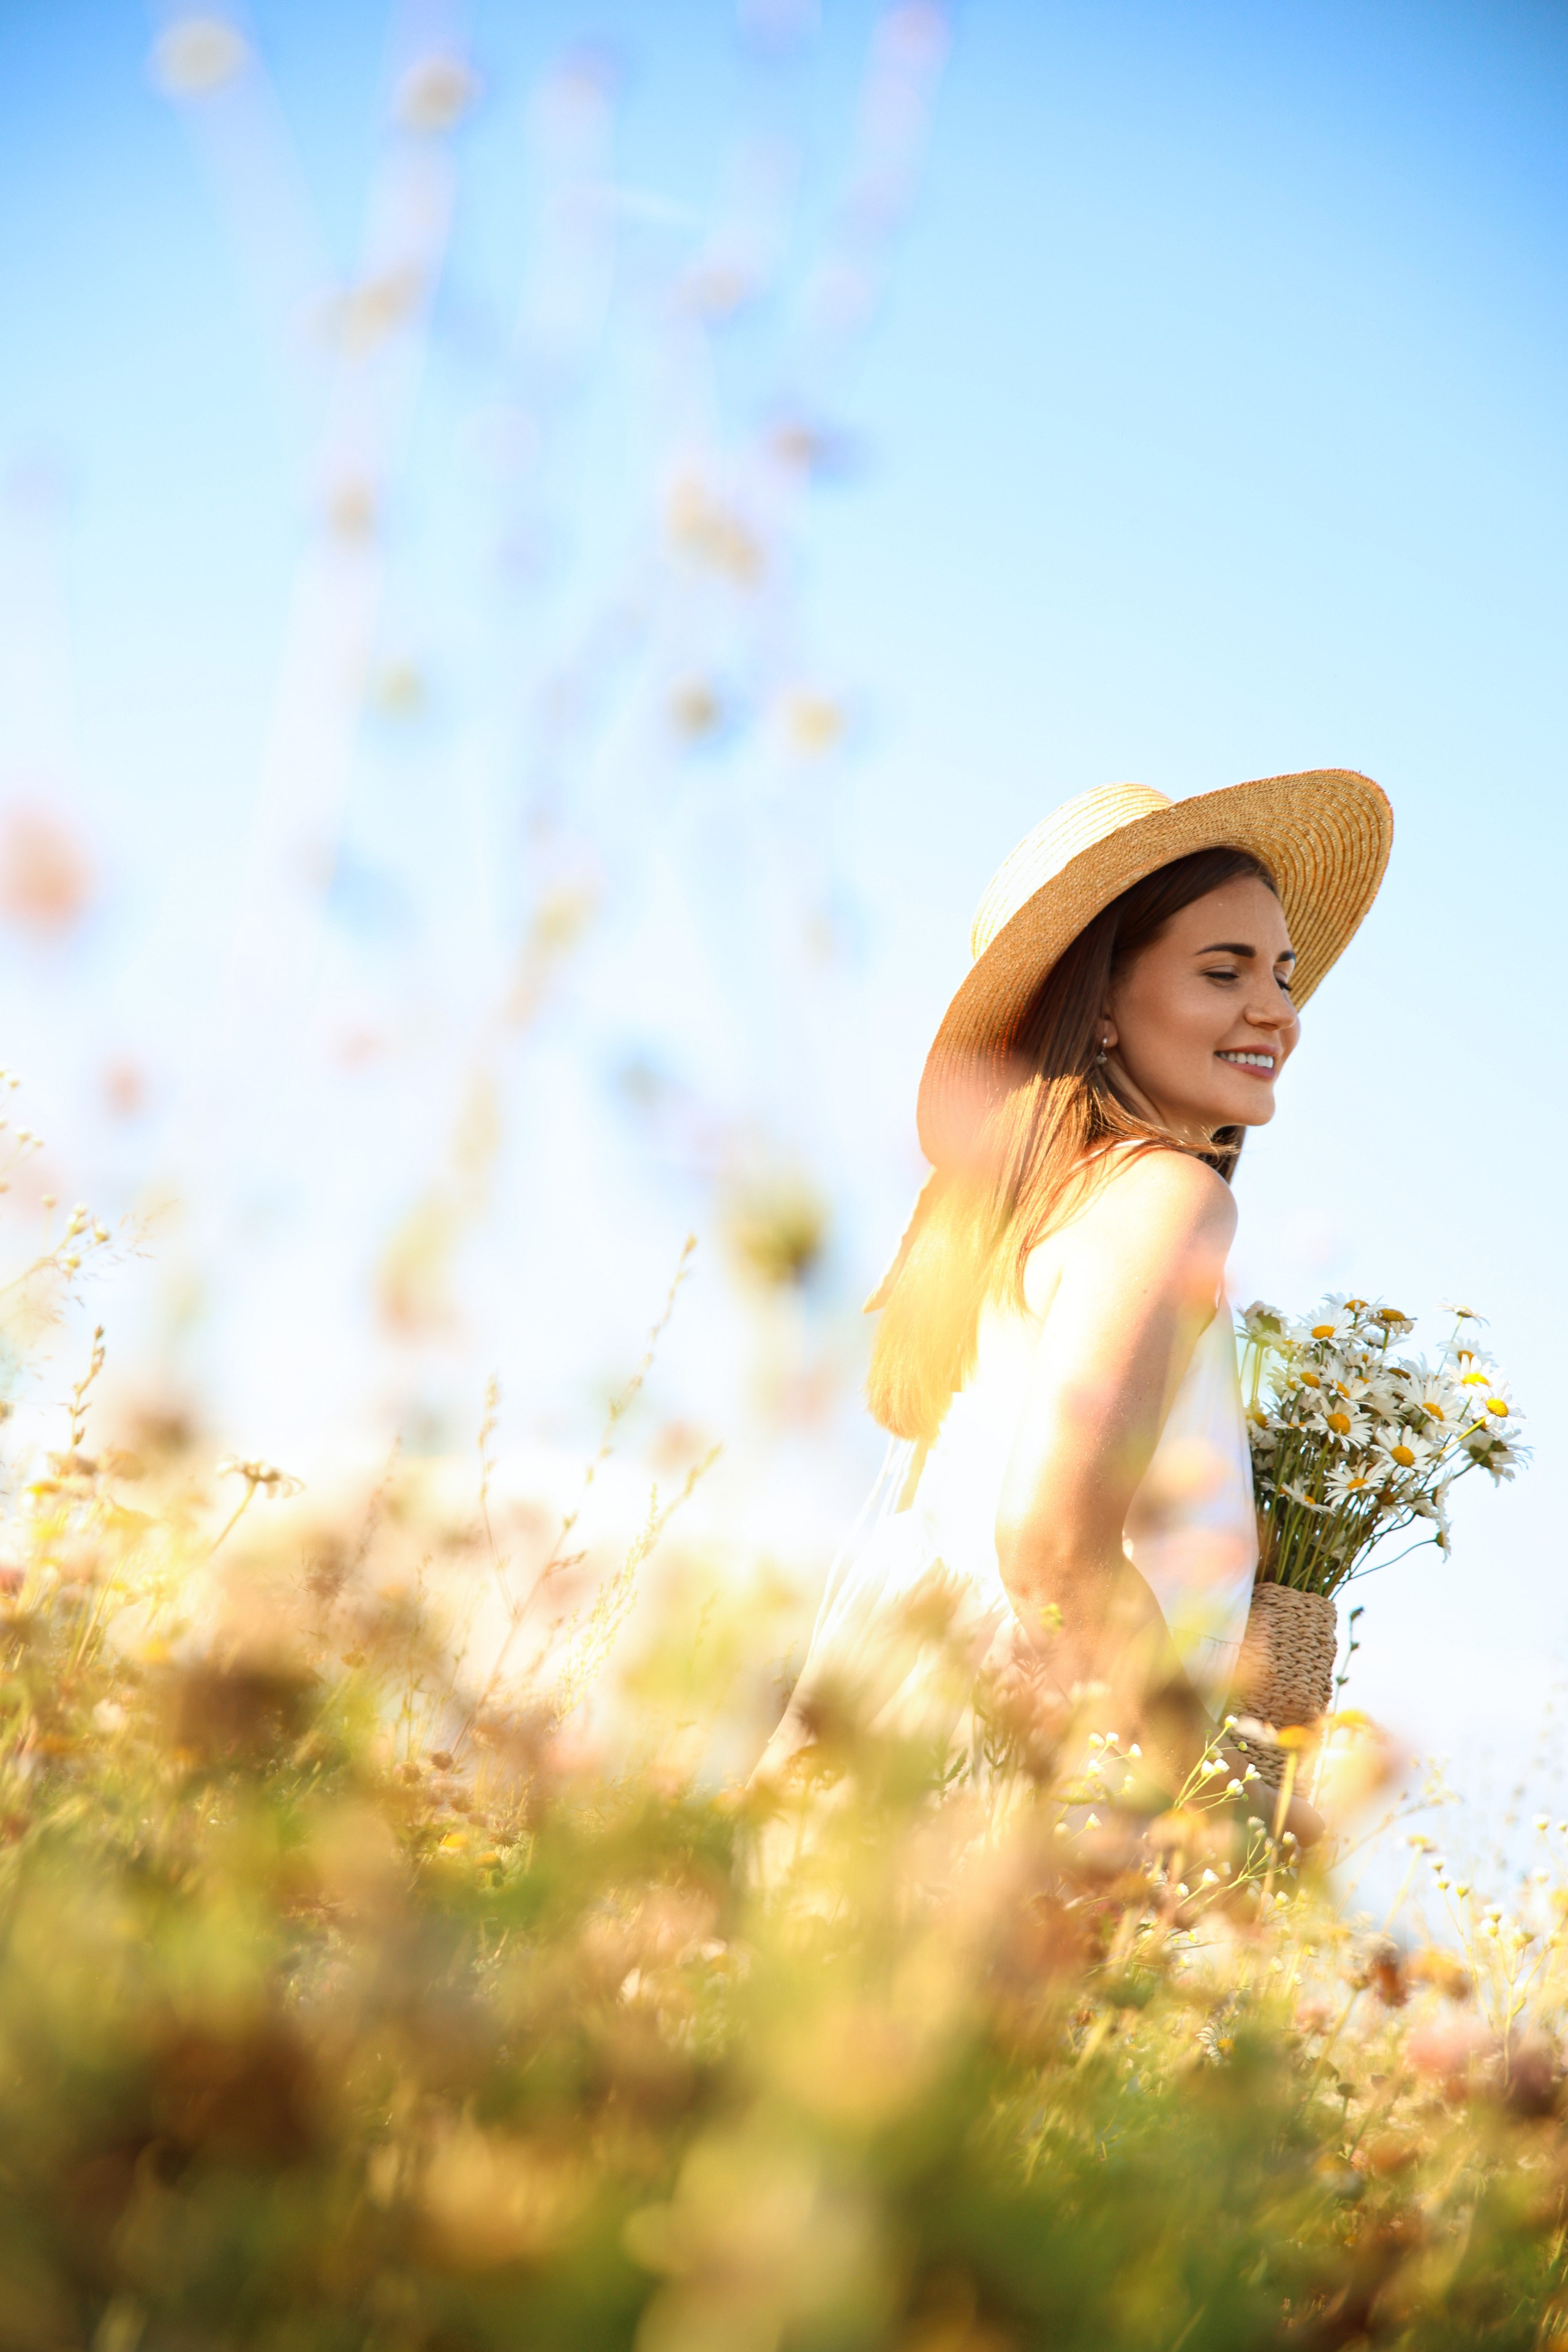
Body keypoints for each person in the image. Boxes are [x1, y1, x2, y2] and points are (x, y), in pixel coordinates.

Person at [756, 772, 1393, 1838]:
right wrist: (1207, 1801)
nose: (1278, 1012)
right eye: (1222, 970)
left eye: (1281, 975)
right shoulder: (1166, 1197)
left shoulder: (1021, 1216)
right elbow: (1051, 1544)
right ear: (1099, 999)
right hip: (1022, 1790)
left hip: (898, 1760)